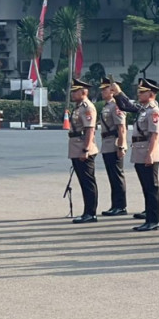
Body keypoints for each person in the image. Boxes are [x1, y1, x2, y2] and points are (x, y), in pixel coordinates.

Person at [112, 78, 159, 231]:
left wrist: (151, 154)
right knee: (146, 188)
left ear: (151, 94)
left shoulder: (153, 110)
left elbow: (155, 135)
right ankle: (149, 219)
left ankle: (154, 221)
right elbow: (125, 105)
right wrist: (118, 92)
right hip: (140, 150)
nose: (139, 94)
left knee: (151, 188)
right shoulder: (143, 109)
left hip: (148, 151)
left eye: (142, 92)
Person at [67, 79, 100, 224]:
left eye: (75, 91)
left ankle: (91, 213)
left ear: (84, 92)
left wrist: (86, 149)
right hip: (76, 147)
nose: (73, 93)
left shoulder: (87, 107)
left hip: (83, 148)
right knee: (83, 182)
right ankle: (87, 211)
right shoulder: (78, 106)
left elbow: (90, 129)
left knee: (88, 182)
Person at [97, 77, 128, 217]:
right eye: (102, 89)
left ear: (113, 90)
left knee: (117, 176)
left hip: (114, 143)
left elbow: (121, 128)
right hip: (107, 143)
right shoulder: (107, 105)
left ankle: (120, 206)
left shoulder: (116, 106)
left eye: (105, 89)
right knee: (112, 176)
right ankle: (115, 204)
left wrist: (121, 146)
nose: (102, 92)